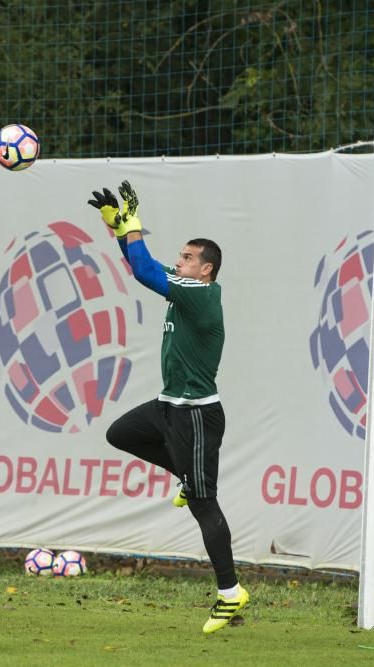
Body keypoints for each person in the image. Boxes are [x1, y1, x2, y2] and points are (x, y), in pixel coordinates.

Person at [88, 181, 248, 635]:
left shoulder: (201, 294)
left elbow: (144, 271)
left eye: (186, 258)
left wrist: (132, 225)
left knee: (204, 504)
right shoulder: (185, 287)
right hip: (169, 405)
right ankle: (182, 472)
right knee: (120, 433)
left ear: (206, 269)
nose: (178, 262)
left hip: (197, 414)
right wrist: (117, 227)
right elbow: (144, 264)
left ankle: (230, 593)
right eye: (178, 256)